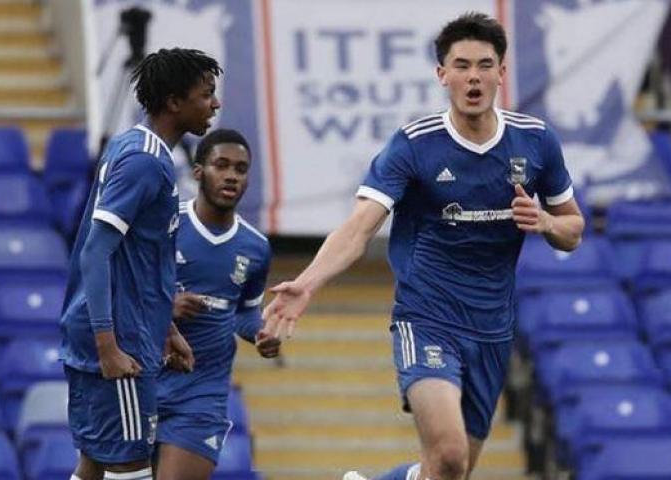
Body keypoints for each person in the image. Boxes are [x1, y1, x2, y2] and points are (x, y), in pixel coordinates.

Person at [262, 12, 585, 480]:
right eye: (460, 65)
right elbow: (358, 229)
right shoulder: (414, 145)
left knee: (449, 472)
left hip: (493, 329)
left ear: (501, 72)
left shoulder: (535, 141)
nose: (473, 76)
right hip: (428, 318)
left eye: (484, 64)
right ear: (442, 74)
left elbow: (574, 229)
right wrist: (308, 284)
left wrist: (547, 221)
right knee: (449, 454)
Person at [59, 48, 222, 480]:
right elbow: (96, 252)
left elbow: (142, 259)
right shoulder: (145, 161)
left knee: (94, 461)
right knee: (130, 465)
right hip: (120, 337)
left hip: (130, 329)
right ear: (174, 102)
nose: (215, 104)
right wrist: (108, 346)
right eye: (206, 95)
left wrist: (165, 328)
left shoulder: (133, 145)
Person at [154, 129, 280, 479]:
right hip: (142, 382)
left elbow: (243, 313)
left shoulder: (255, 247)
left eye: (240, 169)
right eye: (221, 165)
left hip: (201, 395)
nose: (231, 175)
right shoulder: (163, 226)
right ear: (198, 173)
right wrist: (165, 308)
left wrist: (262, 334)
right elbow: (120, 294)